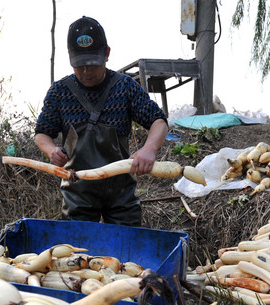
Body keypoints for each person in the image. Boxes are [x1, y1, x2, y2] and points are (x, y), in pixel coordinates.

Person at [34, 16, 169, 226]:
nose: (86, 71)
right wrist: (51, 150)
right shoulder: (59, 92)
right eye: (80, 65)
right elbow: (42, 133)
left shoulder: (124, 87)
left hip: (121, 193)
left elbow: (158, 121)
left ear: (106, 54)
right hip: (77, 193)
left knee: (126, 253)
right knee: (76, 255)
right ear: (70, 56)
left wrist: (149, 148)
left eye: (92, 64)